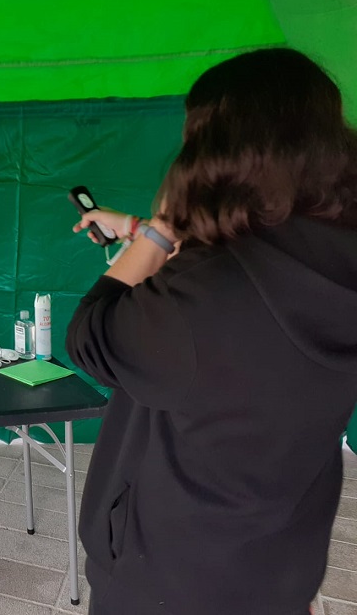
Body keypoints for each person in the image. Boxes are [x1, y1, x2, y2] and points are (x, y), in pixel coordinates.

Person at [66, 48, 357, 615]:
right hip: (282, 563)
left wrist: (159, 230)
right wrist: (137, 228)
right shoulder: (334, 256)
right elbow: (249, 267)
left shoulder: (202, 296)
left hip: (169, 577)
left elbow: (90, 336)